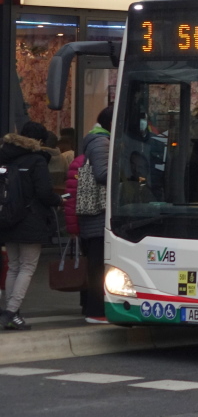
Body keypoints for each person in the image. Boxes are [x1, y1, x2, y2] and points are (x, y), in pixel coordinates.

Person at [0, 122, 62, 330]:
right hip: (31, 220)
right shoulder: (37, 160)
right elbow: (44, 192)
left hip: (7, 218)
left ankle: (12, 310)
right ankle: (11, 312)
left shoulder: (5, 155)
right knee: (27, 267)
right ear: (40, 141)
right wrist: (59, 201)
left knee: (14, 266)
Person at [78, 106, 112, 324]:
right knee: (98, 264)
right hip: (98, 214)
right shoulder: (101, 142)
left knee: (96, 263)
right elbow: (103, 174)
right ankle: (96, 310)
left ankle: (91, 308)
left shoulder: (96, 139)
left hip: (93, 215)